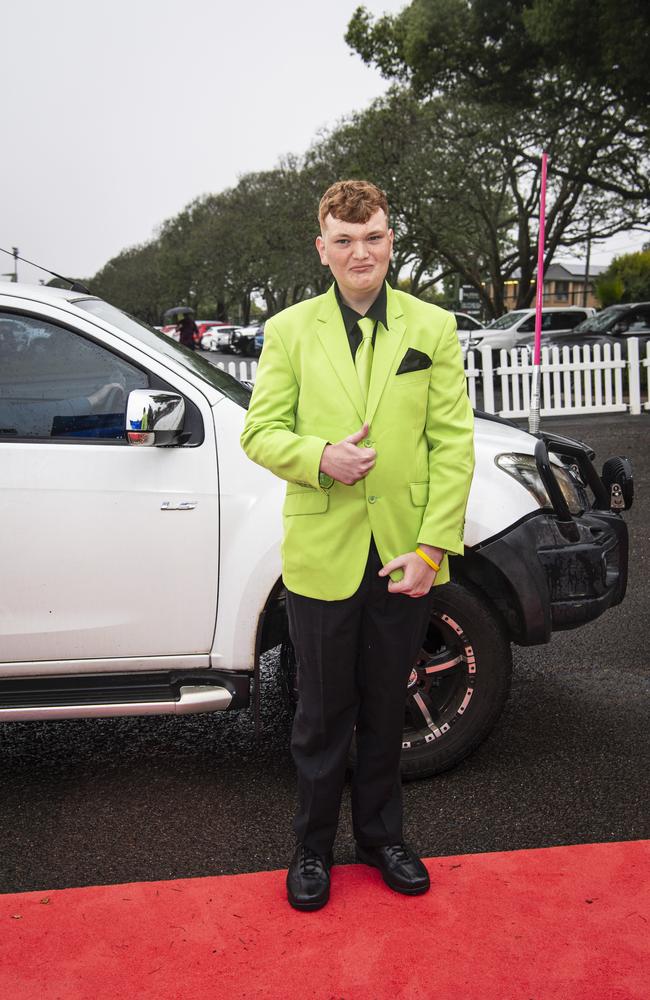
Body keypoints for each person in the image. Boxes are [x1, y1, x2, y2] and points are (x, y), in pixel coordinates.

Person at [240, 180, 475, 911]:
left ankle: (381, 839)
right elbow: (259, 432)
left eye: (372, 236)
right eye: (344, 241)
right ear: (323, 249)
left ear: (390, 239)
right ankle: (312, 849)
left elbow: (453, 446)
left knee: (386, 704)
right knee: (320, 713)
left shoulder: (432, 327)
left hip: (404, 552)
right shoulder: (288, 331)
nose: (360, 252)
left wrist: (434, 547)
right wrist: (319, 458)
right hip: (322, 553)